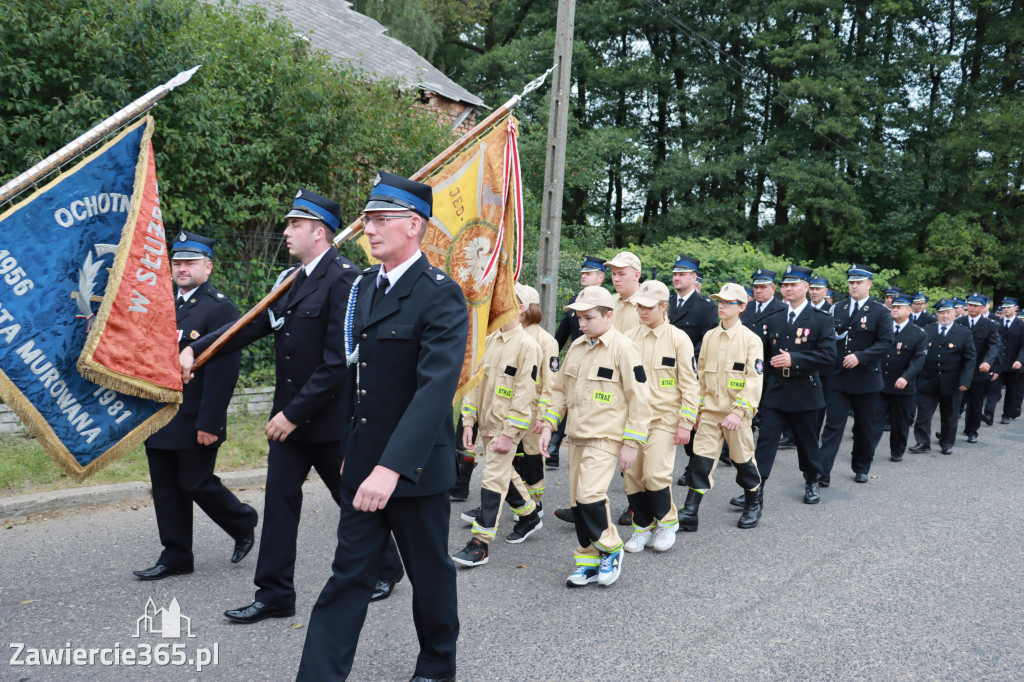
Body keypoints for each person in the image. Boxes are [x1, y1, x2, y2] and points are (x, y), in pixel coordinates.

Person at [182, 189, 400, 623]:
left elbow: (338, 361)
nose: (286, 231)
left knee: (353, 499)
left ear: (319, 232)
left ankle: (388, 567)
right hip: (288, 422)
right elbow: (251, 325)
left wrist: (292, 414)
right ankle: (275, 594)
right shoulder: (290, 280)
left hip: (327, 421)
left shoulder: (347, 280)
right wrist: (197, 350)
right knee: (280, 505)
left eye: (294, 225)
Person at [296, 172, 467, 681]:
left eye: (379, 219)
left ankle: (437, 667)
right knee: (348, 576)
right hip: (363, 462)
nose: (368, 229)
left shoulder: (441, 294)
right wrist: (354, 446)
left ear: (413, 225)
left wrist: (390, 468)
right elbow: (359, 374)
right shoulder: (365, 286)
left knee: (429, 575)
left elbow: (434, 392)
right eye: (367, 219)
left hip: (412, 470)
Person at [134, 231, 257, 581]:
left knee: (195, 481)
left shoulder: (220, 308)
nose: (182, 268)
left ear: (208, 266)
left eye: (190, 262)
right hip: (158, 412)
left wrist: (211, 423)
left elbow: (223, 373)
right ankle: (176, 554)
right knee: (165, 486)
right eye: (177, 262)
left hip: (194, 415)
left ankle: (242, 520)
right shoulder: (162, 302)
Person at [538, 286, 652, 587]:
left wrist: (631, 443)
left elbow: (640, 399)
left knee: (590, 497)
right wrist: (548, 425)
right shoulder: (576, 347)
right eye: (579, 318)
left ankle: (612, 547)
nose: (581, 323)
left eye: (588, 317)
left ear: (608, 316)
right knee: (578, 503)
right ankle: (587, 561)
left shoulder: (624, 349)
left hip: (606, 438)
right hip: (576, 437)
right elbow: (560, 391)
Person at [452, 284, 542, 567]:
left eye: (505, 301)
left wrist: (509, 433)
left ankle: (480, 542)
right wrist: (468, 422)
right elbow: (474, 385)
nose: (496, 305)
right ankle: (528, 515)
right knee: (505, 473)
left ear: (521, 307)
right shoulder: (489, 341)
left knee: (492, 478)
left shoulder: (529, 347)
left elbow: (525, 396)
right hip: (487, 426)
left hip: (506, 429)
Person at [737, 265, 835, 507]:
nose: (787, 289)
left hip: (805, 391)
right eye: (784, 285)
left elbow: (829, 355)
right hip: (776, 390)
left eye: (793, 284)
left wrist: (796, 359)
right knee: (765, 442)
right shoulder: (774, 318)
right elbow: (764, 357)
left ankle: (812, 480)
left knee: (807, 442)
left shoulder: (820, 320)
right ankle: (754, 491)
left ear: (806, 287)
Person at [622, 280, 699, 551]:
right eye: (639, 307)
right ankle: (642, 526)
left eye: (648, 307)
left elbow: (690, 384)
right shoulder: (629, 338)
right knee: (632, 476)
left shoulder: (678, 339)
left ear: (663, 307)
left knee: (655, 475)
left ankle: (667, 522)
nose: (642, 312)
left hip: (665, 419)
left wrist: (686, 424)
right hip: (633, 421)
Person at [686, 283, 765, 528]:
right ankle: (690, 511)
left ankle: (753, 502)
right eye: (719, 301)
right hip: (710, 412)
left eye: (728, 302)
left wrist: (739, 412)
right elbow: (699, 378)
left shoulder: (751, 340)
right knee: (700, 461)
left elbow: (754, 379)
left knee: (742, 462)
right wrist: (697, 410)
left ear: (742, 307)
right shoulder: (710, 336)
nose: (721, 306)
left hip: (736, 415)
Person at [819, 264, 894, 485]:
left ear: (869, 284)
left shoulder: (880, 311)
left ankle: (861, 466)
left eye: (858, 282)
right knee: (833, 426)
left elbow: (886, 342)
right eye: (851, 282)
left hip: (866, 379)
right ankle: (822, 473)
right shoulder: (838, 309)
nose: (854, 286)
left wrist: (861, 356)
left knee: (864, 427)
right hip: (838, 378)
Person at [550, 255, 607, 469]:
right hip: (578, 359)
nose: (583, 275)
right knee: (569, 398)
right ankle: (555, 445)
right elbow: (562, 335)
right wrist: (552, 360)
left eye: (589, 273)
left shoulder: (606, 304)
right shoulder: (575, 301)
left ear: (600, 278)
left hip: (600, 361)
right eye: (583, 272)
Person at [909, 299, 976, 454]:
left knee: (950, 415)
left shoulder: (963, 333)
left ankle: (946, 442)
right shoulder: (927, 330)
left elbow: (970, 359)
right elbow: (919, 353)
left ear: (954, 313)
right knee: (924, 414)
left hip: (952, 382)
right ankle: (922, 442)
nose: (945, 316)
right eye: (941, 313)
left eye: (948, 312)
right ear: (937, 315)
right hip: (928, 379)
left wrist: (965, 380)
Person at [515, 283, 558, 509]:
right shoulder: (509, 334)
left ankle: (535, 502)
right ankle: (513, 501)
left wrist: (543, 415)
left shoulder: (546, 341)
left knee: (532, 456)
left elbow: (551, 384)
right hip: (509, 406)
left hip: (533, 409)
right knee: (508, 455)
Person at [881, 294, 928, 462]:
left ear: (909, 310)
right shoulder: (883, 329)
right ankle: (866, 451)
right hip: (880, 383)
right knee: (872, 421)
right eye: (893, 307)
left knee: (900, 423)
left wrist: (906, 377)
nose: (894, 310)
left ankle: (897, 452)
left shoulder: (918, 334)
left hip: (903, 386)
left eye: (898, 307)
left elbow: (918, 360)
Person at [956, 293, 1002, 442]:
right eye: (970, 305)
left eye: (975, 305)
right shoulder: (959, 322)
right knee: (954, 401)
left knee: (975, 402)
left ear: (983, 308)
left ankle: (972, 430)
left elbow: (994, 346)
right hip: (959, 368)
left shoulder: (990, 325)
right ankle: (948, 431)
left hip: (979, 369)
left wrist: (988, 362)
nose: (972, 308)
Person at [988, 298, 1024, 423]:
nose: (1006, 309)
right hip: (997, 363)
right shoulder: (997, 324)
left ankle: (1006, 415)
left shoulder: (1021, 325)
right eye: (1004, 307)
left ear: (1016, 308)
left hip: (1013, 364)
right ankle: (988, 414)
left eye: (1009, 307)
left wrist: (1020, 360)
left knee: (1011, 391)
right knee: (993, 389)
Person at [606, 251, 643, 333]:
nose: (616, 279)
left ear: (637, 275)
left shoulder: (650, 305)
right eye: (613, 274)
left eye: (621, 274)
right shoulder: (609, 302)